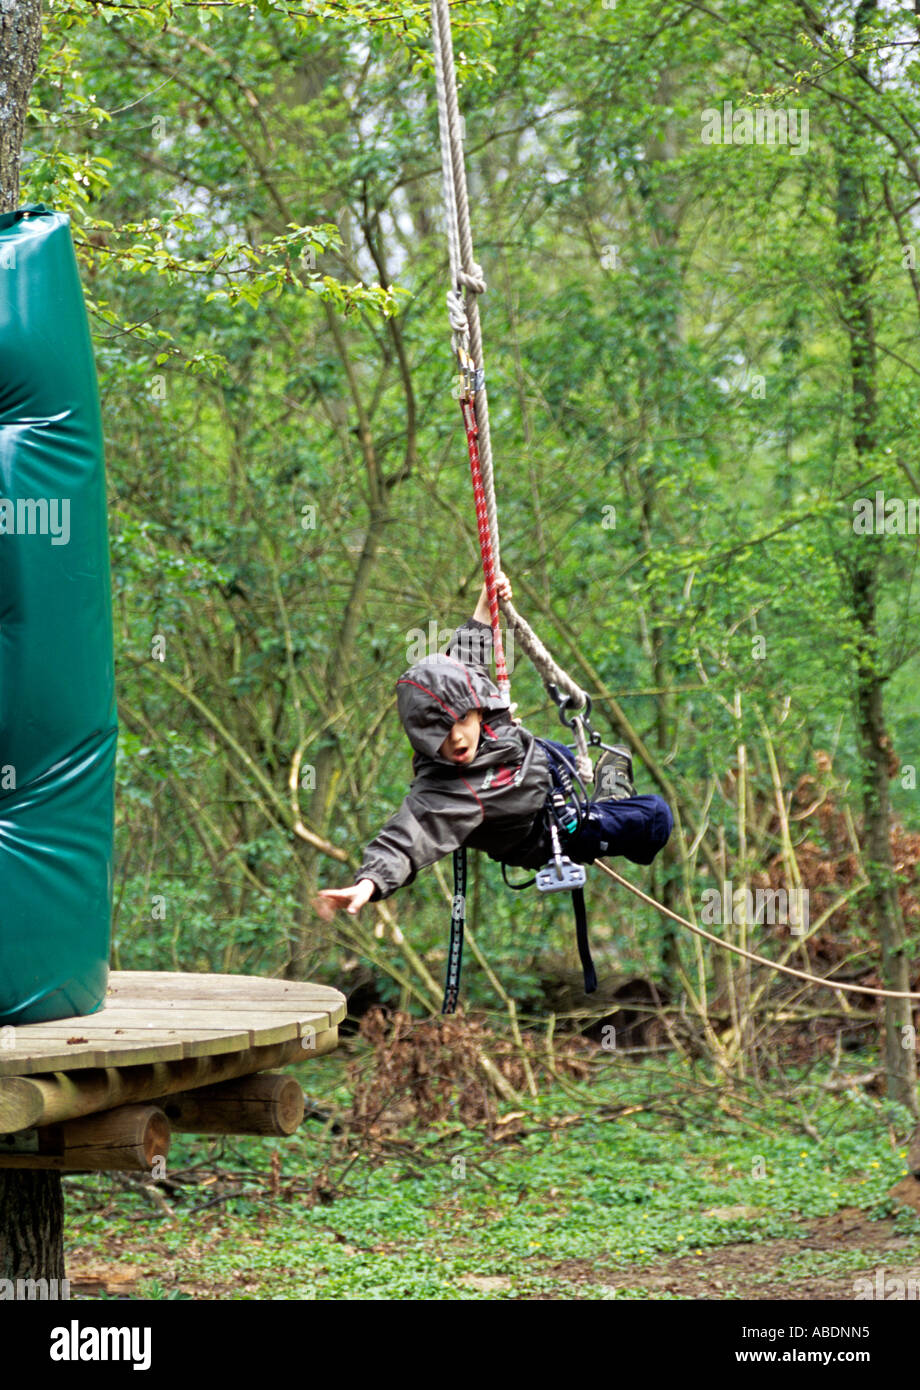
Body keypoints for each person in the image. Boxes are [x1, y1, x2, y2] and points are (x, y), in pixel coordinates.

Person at [313, 573, 673, 920]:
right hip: (550, 828)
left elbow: (466, 653)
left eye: (462, 721)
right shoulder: (442, 794)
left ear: (477, 708)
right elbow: (407, 837)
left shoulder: (473, 697)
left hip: (543, 765)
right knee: (656, 817)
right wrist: (368, 884)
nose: (456, 737)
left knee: (588, 754)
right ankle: (606, 811)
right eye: (439, 732)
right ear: (423, 738)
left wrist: (486, 603)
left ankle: (603, 797)